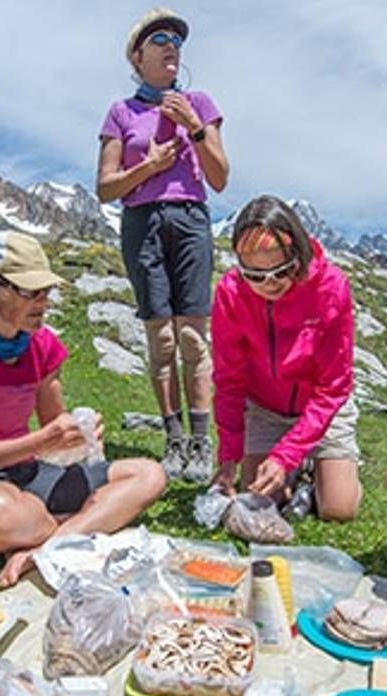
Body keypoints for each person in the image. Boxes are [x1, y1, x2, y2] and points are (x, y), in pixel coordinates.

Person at [0, 231, 166, 587]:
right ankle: (75, 528)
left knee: (149, 475)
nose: (43, 302)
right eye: (31, 292)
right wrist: (42, 442)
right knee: (10, 515)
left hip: (27, 475)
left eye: (46, 291)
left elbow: (54, 426)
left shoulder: (43, 344)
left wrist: (78, 435)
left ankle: (44, 548)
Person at [97, 7, 230, 483]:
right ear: (137, 57)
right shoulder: (121, 112)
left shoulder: (199, 102)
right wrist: (148, 168)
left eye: (176, 37)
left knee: (193, 338)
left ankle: (201, 441)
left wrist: (193, 125)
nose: (171, 44)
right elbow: (106, 188)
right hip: (141, 221)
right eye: (159, 38)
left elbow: (220, 178)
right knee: (163, 338)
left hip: (191, 217)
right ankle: (173, 439)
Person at [211, 196, 361, 520]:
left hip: (320, 409)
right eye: (255, 275)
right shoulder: (229, 293)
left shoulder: (331, 287)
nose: (270, 284)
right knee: (261, 500)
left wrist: (285, 455)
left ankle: (311, 468)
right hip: (265, 409)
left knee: (339, 509)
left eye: (281, 271)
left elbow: (333, 388)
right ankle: (296, 475)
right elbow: (229, 381)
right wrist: (227, 459)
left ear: (298, 255)